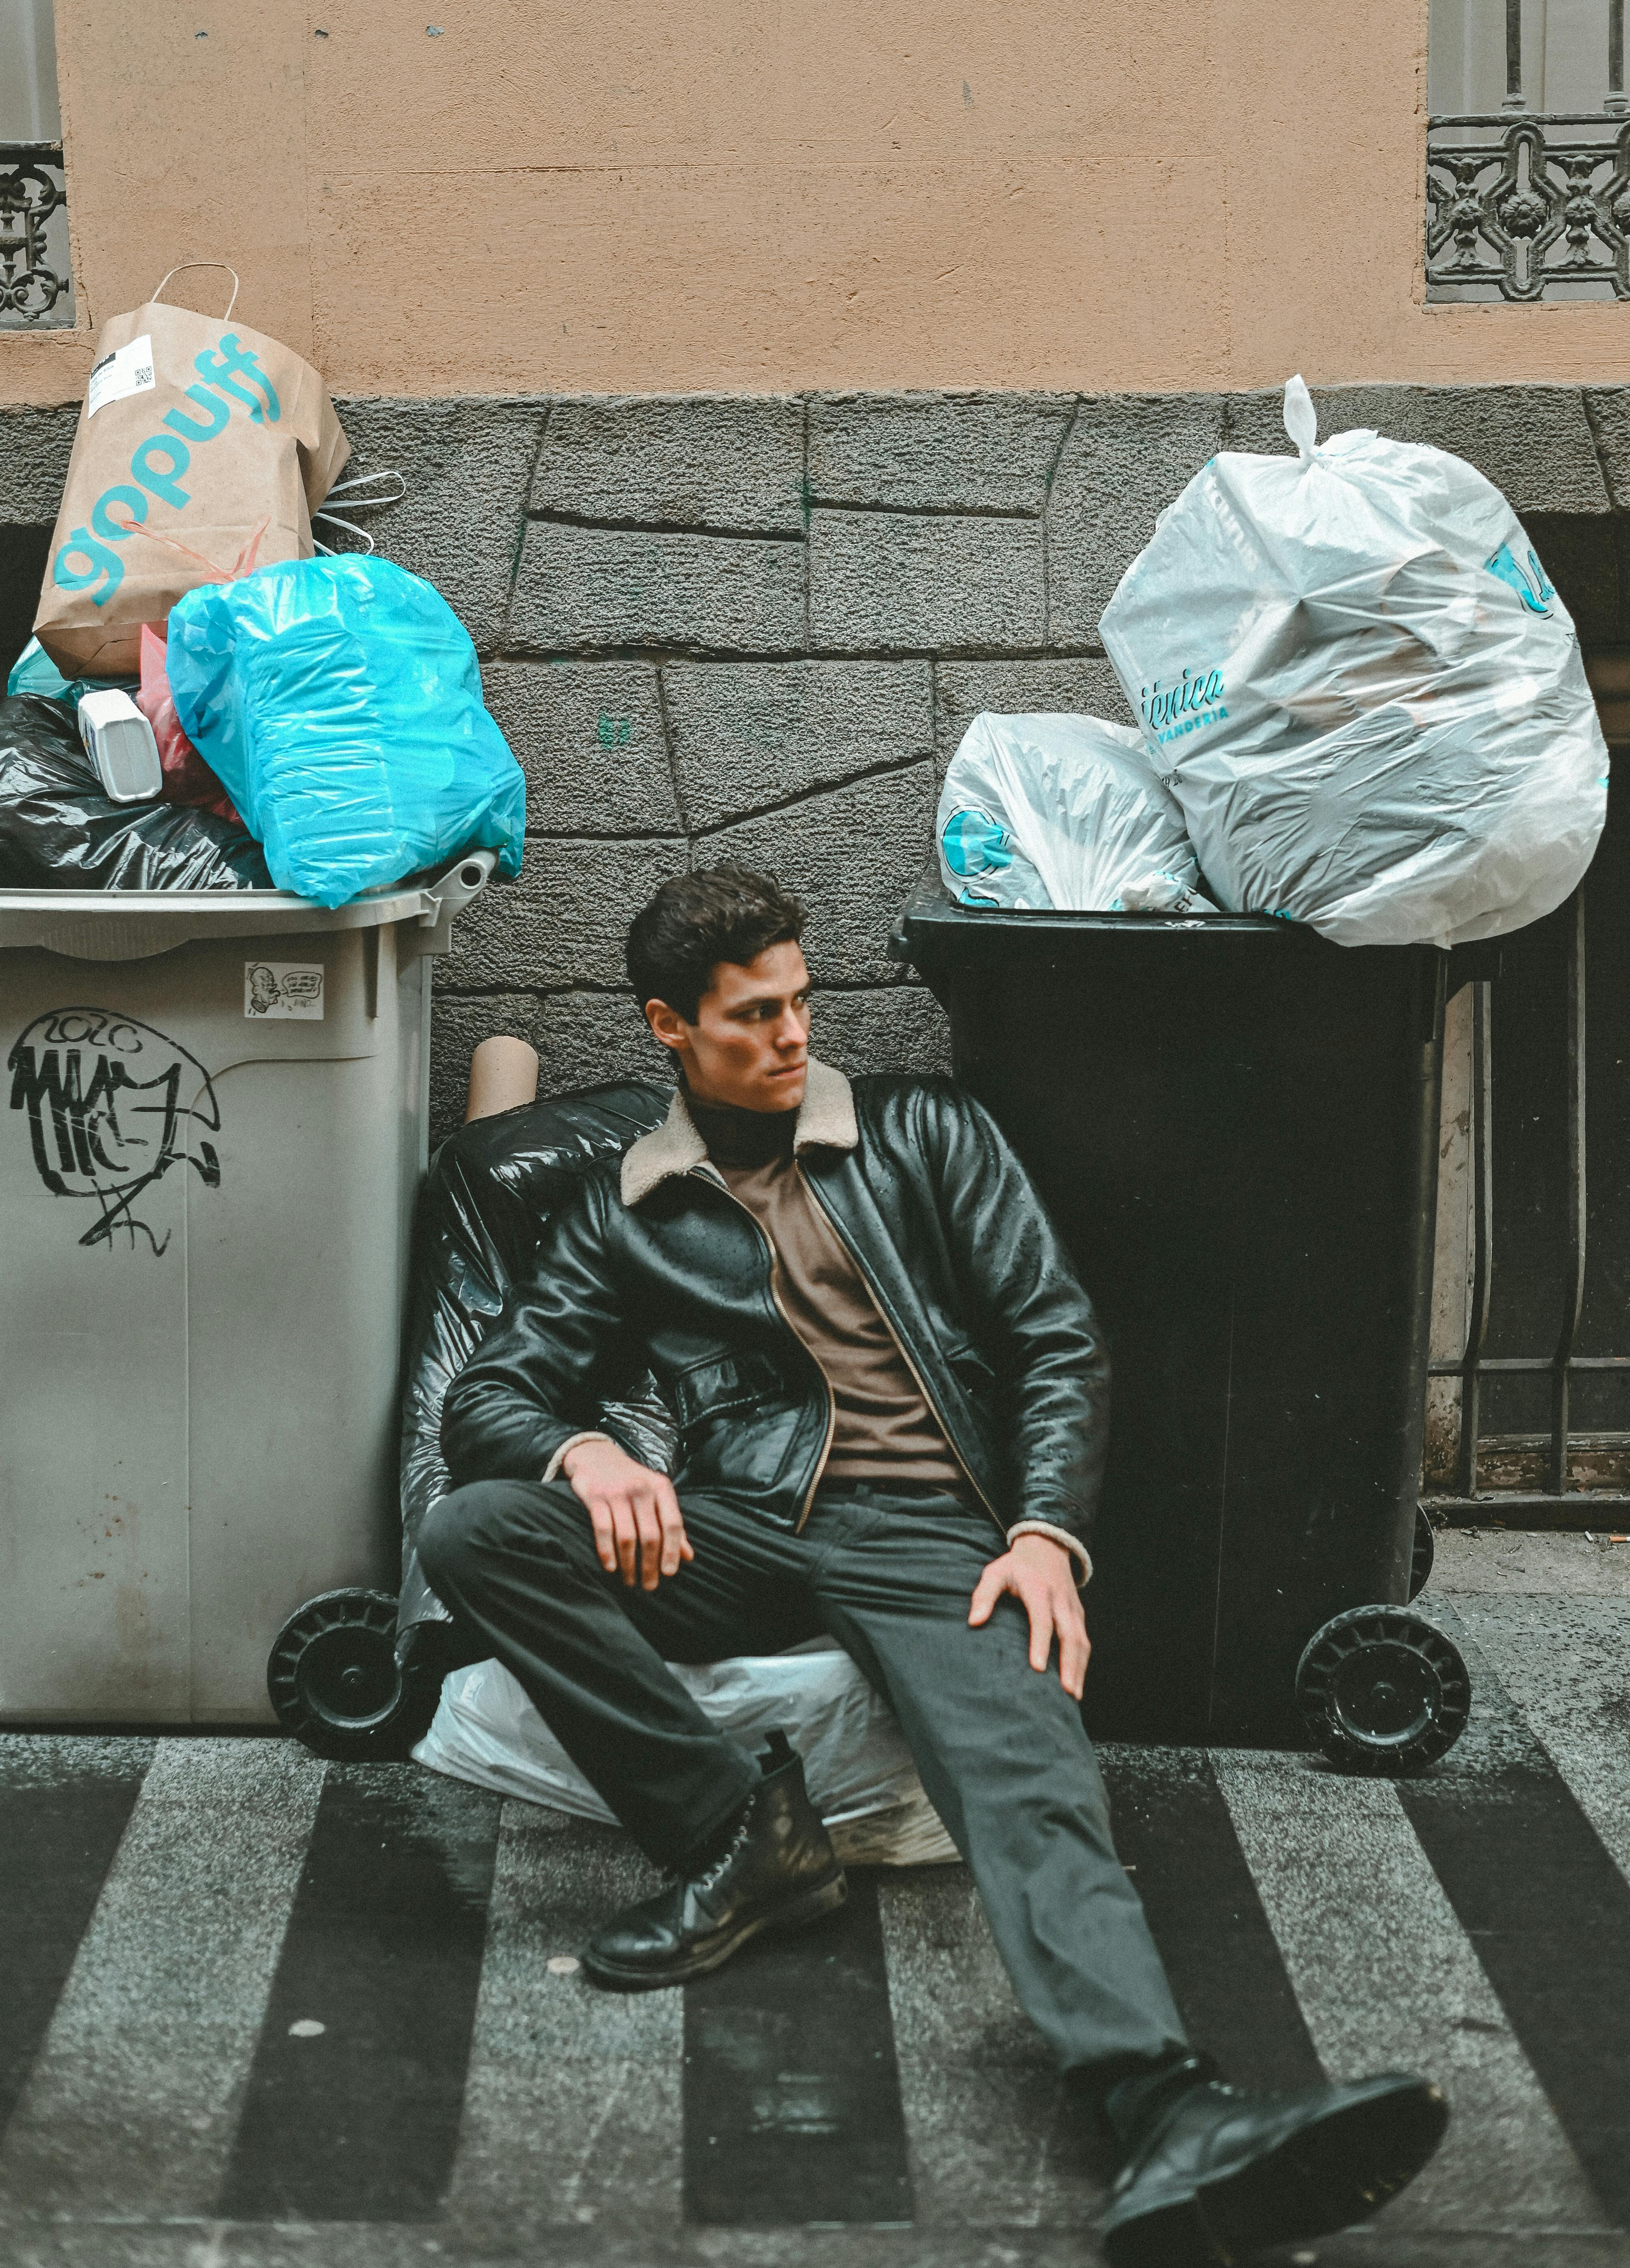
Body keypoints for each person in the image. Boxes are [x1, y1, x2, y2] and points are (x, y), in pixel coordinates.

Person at [420, 863, 1447, 2266]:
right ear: (670, 1027)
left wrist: (1043, 1532)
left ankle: (1163, 2102)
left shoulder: (925, 1131)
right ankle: (740, 1838)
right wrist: (584, 1451)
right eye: (754, 1015)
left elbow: (1054, 1333)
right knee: (475, 1528)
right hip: (740, 1521)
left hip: (929, 1530)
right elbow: (489, 1393)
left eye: (801, 1000)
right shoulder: (630, 1207)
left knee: (1026, 1770)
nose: (794, 1034)